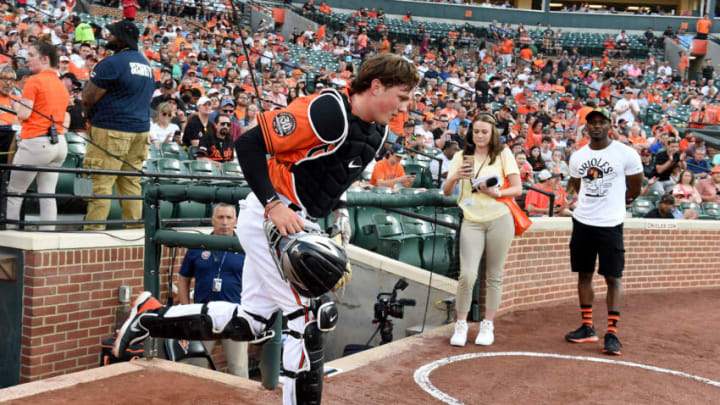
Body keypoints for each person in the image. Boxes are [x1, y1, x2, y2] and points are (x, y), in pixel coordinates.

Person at [113, 53, 419, 405]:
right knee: (310, 318)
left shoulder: (377, 132)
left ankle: (149, 315)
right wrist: (274, 205)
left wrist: (341, 212)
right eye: (402, 97)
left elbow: (335, 174)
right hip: (269, 215)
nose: (404, 108)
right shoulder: (328, 111)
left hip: (301, 220)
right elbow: (248, 144)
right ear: (376, 86)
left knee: (252, 322)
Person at [565, 107, 643, 356]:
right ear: (586, 127)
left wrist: (621, 202)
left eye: (601, 122)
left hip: (611, 224)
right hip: (583, 222)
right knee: (584, 275)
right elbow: (578, 185)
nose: (596, 126)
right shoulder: (578, 156)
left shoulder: (626, 154)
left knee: (613, 277)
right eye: (592, 123)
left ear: (610, 125)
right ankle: (587, 327)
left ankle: (612, 332)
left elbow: (635, 188)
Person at [444, 113, 522, 347]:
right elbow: (447, 191)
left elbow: (517, 188)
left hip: (499, 217)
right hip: (471, 220)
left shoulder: (503, 153)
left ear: (492, 134)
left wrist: (498, 193)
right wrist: (456, 176)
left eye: (484, 132)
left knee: (494, 274)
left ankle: (488, 324)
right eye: (476, 131)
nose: (479, 135)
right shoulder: (460, 156)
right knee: (467, 275)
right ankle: (461, 324)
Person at [81, 20, 154, 231]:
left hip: (111, 130)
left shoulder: (112, 63)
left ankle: (92, 237)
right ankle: (136, 236)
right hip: (140, 133)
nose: (108, 37)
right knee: (130, 186)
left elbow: (88, 97)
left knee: (101, 185)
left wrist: (89, 116)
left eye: (112, 35)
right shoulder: (147, 66)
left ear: (121, 39)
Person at [177, 203, 248, 377]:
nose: (224, 222)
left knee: (238, 369)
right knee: (196, 367)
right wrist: (187, 308)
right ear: (212, 220)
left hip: (235, 316)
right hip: (204, 316)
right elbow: (183, 278)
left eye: (229, 218)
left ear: (235, 221)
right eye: (220, 217)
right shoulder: (198, 245)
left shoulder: (246, 246)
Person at [6, 39, 69, 230]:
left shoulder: (35, 80)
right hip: (59, 144)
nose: (27, 59)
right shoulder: (61, 85)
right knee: (47, 193)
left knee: (15, 193)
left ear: (45, 59)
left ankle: (10, 237)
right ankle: (47, 238)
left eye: (32, 55)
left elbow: (24, 114)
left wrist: (16, 105)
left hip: (36, 143)